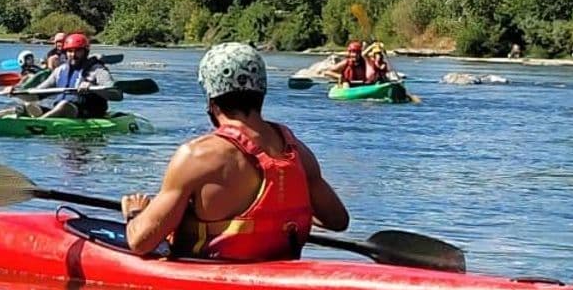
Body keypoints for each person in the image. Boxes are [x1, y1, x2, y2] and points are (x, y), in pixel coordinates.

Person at [120, 42, 348, 260]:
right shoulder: (297, 151)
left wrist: (136, 215)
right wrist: (283, 212)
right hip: (279, 271)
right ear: (262, 89)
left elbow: (140, 243)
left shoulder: (196, 156)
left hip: (211, 287)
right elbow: (337, 220)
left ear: (210, 96)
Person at [23, 33, 114, 119]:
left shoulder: (97, 70)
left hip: (87, 113)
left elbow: (115, 94)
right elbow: (37, 94)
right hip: (60, 112)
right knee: (27, 105)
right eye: (70, 51)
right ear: (65, 52)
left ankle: (39, 123)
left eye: (78, 51)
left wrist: (92, 87)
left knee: (64, 105)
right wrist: (15, 92)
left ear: (85, 52)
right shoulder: (60, 71)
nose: (73, 55)